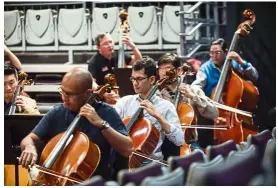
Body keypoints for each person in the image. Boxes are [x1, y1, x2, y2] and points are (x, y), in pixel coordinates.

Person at [19, 68, 132, 181]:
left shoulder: (107, 113)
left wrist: (101, 124)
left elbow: (127, 149)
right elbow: (28, 139)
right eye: (62, 91)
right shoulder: (58, 112)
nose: (64, 97)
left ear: (87, 93)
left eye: (69, 94)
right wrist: (29, 147)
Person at [114, 56, 184, 165]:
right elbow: (111, 127)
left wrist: (159, 117)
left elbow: (179, 140)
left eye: (139, 79)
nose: (135, 83)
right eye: (133, 79)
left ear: (152, 79)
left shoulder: (166, 106)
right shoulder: (125, 102)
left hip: (151, 165)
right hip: (123, 161)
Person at [157, 53, 218, 151]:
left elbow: (214, 114)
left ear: (179, 70)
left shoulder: (193, 90)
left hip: (188, 143)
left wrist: (192, 97)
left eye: (167, 68)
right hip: (161, 143)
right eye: (160, 68)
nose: (164, 72)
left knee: (199, 159)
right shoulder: (156, 94)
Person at [192, 38, 259, 97]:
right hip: (212, 106)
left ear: (225, 52)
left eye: (218, 52)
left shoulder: (235, 63)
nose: (214, 56)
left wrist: (241, 61)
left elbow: (254, 76)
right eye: (212, 53)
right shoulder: (205, 69)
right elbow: (197, 86)